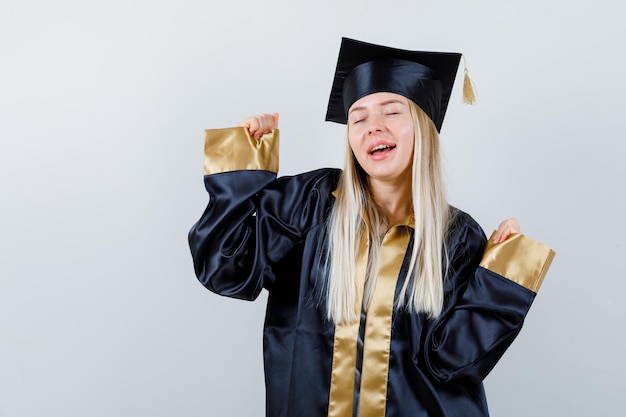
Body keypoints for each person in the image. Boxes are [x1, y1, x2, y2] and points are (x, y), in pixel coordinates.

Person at [188, 37, 555, 417]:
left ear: (423, 127)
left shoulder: (456, 236)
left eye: (391, 112)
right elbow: (224, 269)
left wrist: (502, 279)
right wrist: (242, 172)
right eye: (358, 117)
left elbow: (453, 364)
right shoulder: (310, 202)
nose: (372, 127)